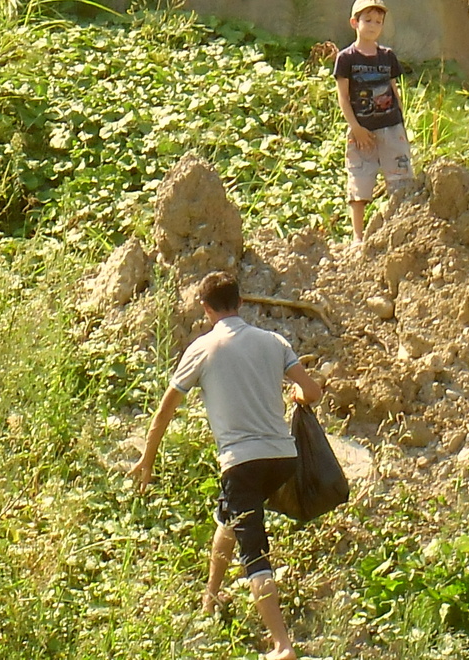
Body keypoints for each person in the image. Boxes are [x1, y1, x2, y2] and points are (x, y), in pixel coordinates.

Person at [129, 270, 323, 660]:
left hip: (242, 462)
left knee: (254, 552)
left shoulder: (202, 349)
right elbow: (312, 391)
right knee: (229, 519)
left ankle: (283, 645)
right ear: (240, 303)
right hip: (283, 458)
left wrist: (146, 461)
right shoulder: (274, 341)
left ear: (205, 308)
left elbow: (164, 413)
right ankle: (210, 597)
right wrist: (297, 399)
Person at [333, 0, 415, 243]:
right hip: (362, 133)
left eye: (378, 22)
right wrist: (355, 128)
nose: (373, 26)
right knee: (359, 183)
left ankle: (400, 232)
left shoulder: (387, 56)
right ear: (354, 23)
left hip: (391, 128)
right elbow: (344, 98)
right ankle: (358, 238)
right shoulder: (346, 58)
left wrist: (401, 123)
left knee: (401, 181)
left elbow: (393, 89)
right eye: (368, 20)